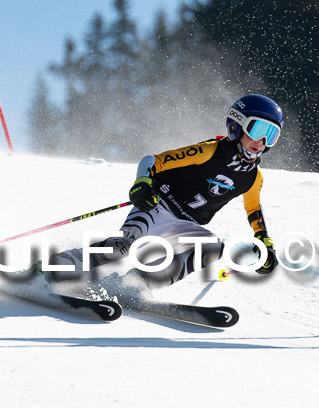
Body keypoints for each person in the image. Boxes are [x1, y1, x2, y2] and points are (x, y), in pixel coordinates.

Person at [35, 94, 283, 294]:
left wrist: (264, 240)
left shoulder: (254, 177)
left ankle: (135, 285)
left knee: (212, 247)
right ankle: (53, 267)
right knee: (121, 247)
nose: (262, 141)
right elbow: (152, 161)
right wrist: (142, 182)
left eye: (271, 135)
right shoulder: (209, 151)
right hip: (157, 207)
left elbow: (253, 208)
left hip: (186, 224)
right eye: (258, 128)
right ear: (237, 124)